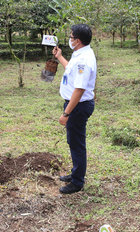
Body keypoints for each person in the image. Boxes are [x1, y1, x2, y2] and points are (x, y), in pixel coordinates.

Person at [52, 24, 96, 194]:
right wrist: (60, 57)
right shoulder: (80, 54)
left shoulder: (84, 60)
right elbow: (71, 70)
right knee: (73, 141)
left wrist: (66, 113)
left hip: (77, 106)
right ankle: (75, 173)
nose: (70, 39)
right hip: (75, 105)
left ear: (77, 40)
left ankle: (77, 182)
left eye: (71, 37)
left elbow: (79, 89)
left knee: (77, 143)